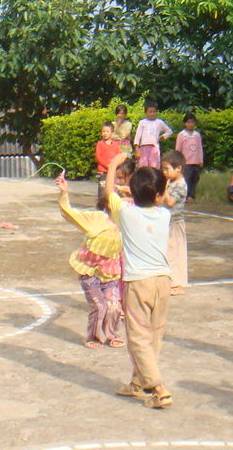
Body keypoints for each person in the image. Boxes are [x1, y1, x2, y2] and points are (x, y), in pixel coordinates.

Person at [104, 151, 173, 409]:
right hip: (163, 282)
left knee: (137, 337)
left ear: (132, 192)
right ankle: (138, 382)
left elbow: (109, 193)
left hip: (138, 282)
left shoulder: (127, 214)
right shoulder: (164, 215)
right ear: (158, 194)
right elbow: (161, 198)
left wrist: (113, 164)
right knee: (153, 336)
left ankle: (158, 387)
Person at [55, 172, 124, 349]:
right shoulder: (97, 219)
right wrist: (64, 193)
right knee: (99, 306)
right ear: (109, 204)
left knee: (113, 306)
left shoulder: (127, 222)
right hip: (89, 272)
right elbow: (70, 213)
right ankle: (93, 337)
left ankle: (112, 334)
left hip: (111, 272)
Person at [161, 151, 189, 294]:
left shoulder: (180, 184)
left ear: (178, 168)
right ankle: (169, 282)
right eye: (163, 169)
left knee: (174, 253)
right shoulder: (171, 182)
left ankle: (177, 284)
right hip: (167, 222)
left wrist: (164, 189)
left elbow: (171, 202)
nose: (165, 172)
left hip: (175, 224)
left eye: (167, 169)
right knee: (167, 252)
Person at [133, 101, 173, 169]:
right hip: (143, 148)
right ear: (146, 113)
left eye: (154, 112)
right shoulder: (142, 122)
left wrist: (162, 137)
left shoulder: (159, 122)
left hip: (154, 147)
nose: (152, 114)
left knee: (154, 167)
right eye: (150, 112)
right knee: (143, 167)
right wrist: (137, 149)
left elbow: (169, 131)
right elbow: (137, 136)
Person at [176, 113, 204, 202]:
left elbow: (199, 148)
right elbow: (178, 149)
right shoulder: (181, 134)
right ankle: (185, 196)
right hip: (186, 162)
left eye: (192, 122)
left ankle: (191, 196)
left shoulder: (197, 135)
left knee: (194, 179)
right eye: (188, 122)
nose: (190, 124)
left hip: (195, 161)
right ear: (185, 123)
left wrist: (200, 160)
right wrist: (178, 161)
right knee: (186, 179)